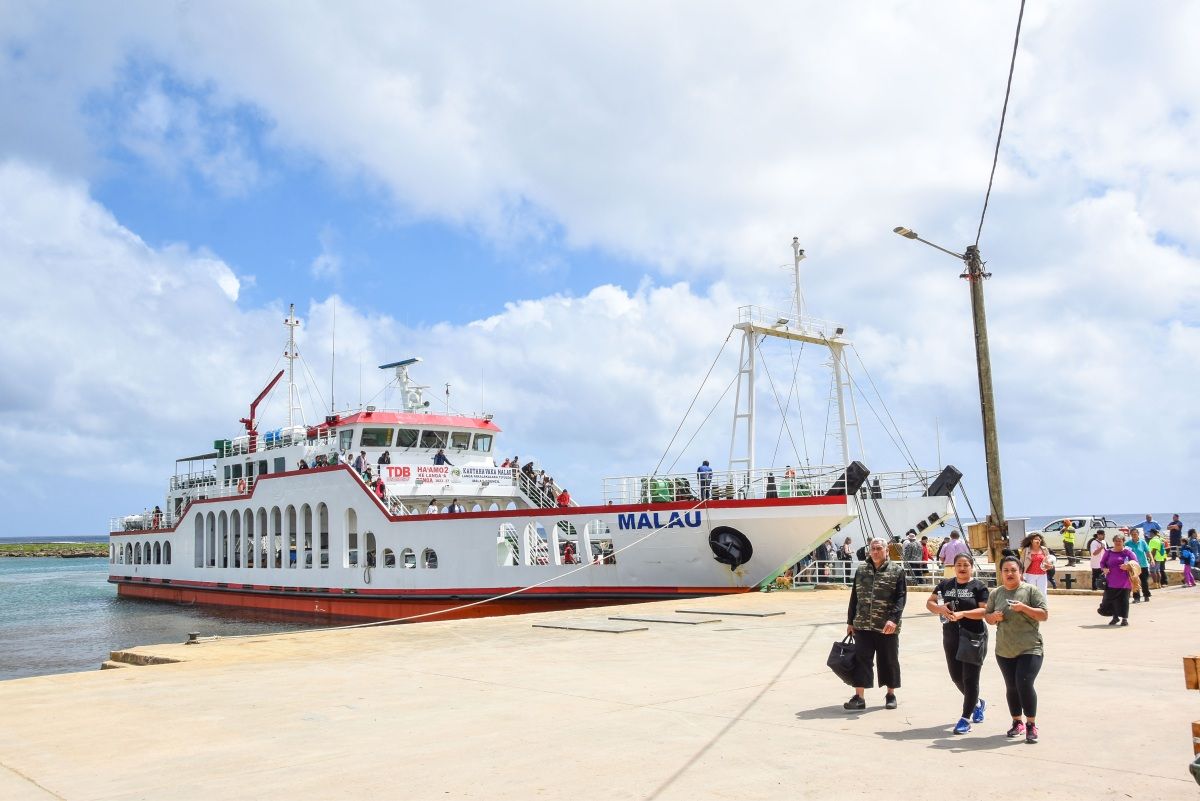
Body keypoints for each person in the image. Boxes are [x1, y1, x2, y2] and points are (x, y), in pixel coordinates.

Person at [983, 555, 1049, 744]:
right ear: (1001, 573)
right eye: (1006, 570)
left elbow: (1044, 615)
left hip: (1030, 647)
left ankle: (1031, 724)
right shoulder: (996, 593)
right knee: (1011, 686)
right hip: (1004, 649)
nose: (1010, 573)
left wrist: (1024, 608)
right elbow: (987, 616)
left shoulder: (1031, 591)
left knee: (1024, 683)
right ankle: (1016, 722)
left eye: (1014, 570)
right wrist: (993, 617)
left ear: (1020, 572)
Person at [927, 552, 989, 734]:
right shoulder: (945, 585)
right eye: (959, 565)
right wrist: (939, 608)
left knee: (970, 678)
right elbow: (930, 602)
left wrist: (963, 614)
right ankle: (978, 703)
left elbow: (984, 611)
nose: (962, 568)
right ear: (954, 567)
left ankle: (965, 719)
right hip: (951, 634)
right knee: (956, 676)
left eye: (966, 565)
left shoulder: (979, 586)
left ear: (971, 567)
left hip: (973, 635)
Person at [844, 537, 907, 711]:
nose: (876, 551)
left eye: (879, 548)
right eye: (873, 548)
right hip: (862, 624)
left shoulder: (897, 571)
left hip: (886, 626)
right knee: (861, 660)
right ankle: (859, 697)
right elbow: (854, 597)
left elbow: (901, 598)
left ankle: (890, 694)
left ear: (887, 551)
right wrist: (850, 621)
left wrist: (893, 619)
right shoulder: (862, 569)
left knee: (889, 660)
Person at [1099, 533, 1136, 625]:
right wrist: (1104, 569)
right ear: (1113, 542)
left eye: (1120, 541)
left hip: (1125, 581)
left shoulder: (1128, 552)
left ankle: (1124, 619)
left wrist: (1128, 567)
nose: (1118, 543)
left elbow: (1135, 563)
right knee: (1112, 600)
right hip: (1111, 581)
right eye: (1116, 541)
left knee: (1124, 600)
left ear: (1123, 542)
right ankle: (1115, 618)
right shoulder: (1108, 552)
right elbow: (1102, 563)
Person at [1127, 529, 1151, 602]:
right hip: (1133, 566)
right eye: (1132, 534)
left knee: (1144, 581)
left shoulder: (1142, 542)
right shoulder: (1128, 543)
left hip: (1143, 565)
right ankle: (1136, 598)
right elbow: (1125, 554)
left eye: (1135, 534)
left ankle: (1146, 595)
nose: (1134, 535)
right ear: (1130, 535)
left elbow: (1147, 552)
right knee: (1135, 582)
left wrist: (1152, 560)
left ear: (1138, 534)